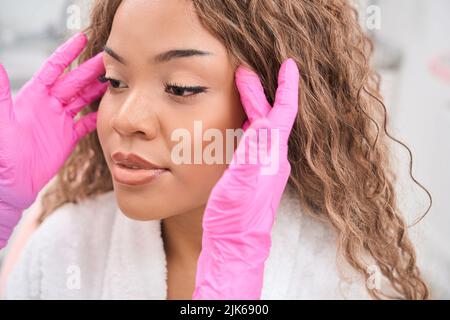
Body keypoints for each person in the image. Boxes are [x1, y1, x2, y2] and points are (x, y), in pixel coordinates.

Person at [0, 0, 430, 299]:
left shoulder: (344, 280)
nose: (126, 119)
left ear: (271, 107)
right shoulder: (68, 246)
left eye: (181, 87)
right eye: (114, 81)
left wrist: (230, 282)